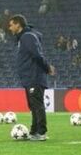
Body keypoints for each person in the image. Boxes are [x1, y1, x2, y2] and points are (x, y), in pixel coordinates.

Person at [7, 14, 54, 142]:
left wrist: (47, 67)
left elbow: (37, 55)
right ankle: (34, 131)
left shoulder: (27, 37)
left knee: (37, 105)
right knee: (33, 105)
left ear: (18, 24)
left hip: (34, 76)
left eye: (11, 25)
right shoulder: (24, 37)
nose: (9, 28)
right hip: (29, 77)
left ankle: (41, 132)